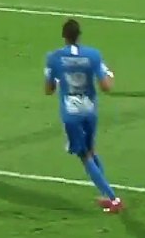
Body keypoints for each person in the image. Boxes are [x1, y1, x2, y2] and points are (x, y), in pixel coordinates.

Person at [44, 18, 121, 213]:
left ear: (63, 36)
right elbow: (106, 86)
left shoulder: (54, 58)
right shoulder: (93, 55)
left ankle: (113, 199)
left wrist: (57, 79)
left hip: (72, 113)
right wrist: (110, 76)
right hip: (90, 109)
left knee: (84, 155)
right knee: (91, 151)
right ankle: (105, 195)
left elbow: (48, 90)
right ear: (79, 35)